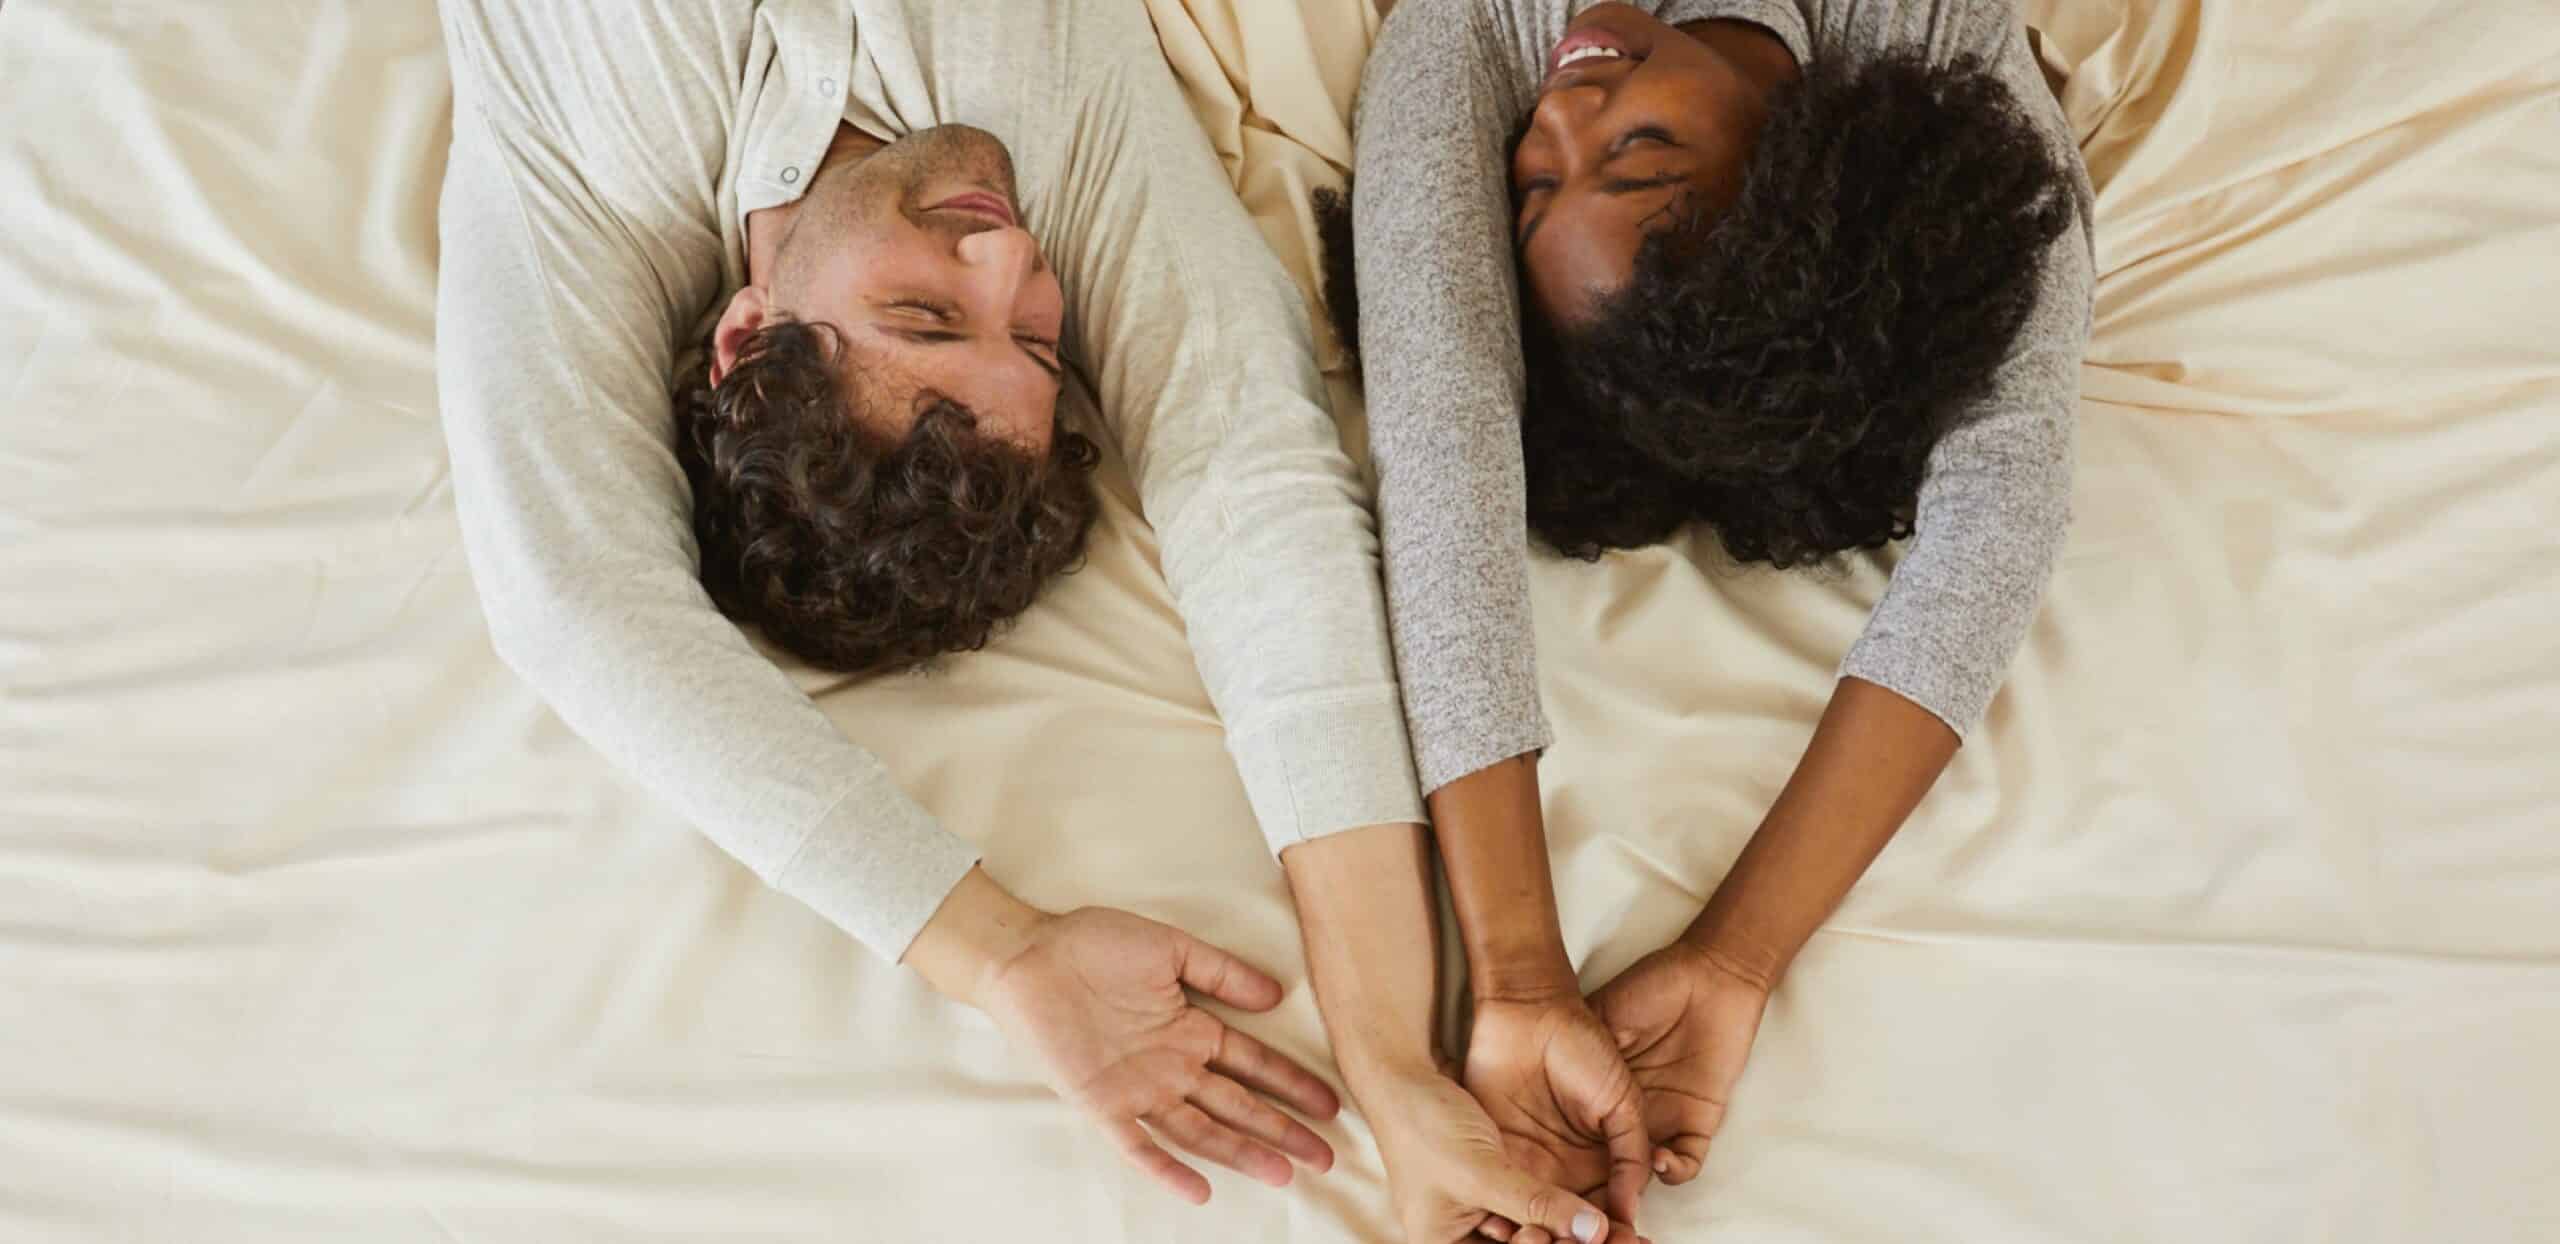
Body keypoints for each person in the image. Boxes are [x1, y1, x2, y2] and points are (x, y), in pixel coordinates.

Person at [433, 0, 1632, 1240]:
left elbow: (575, 596)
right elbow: (1254, 493)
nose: (1006, 256)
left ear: (747, 338)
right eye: (1045, 343)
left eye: (923, 315)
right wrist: (1393, 1066)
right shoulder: (1033, 122)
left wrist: (987, 950)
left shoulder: (591, 149)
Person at [1322, 0, 2092, 1229]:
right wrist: (1734, 954)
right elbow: (2007, 492)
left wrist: (1521, 980)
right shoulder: (1921, 22)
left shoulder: (1475, 32)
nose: (1565, 107)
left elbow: (1442, 445)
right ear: (1801, 164)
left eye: (1532, 183)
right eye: (1638, 156)